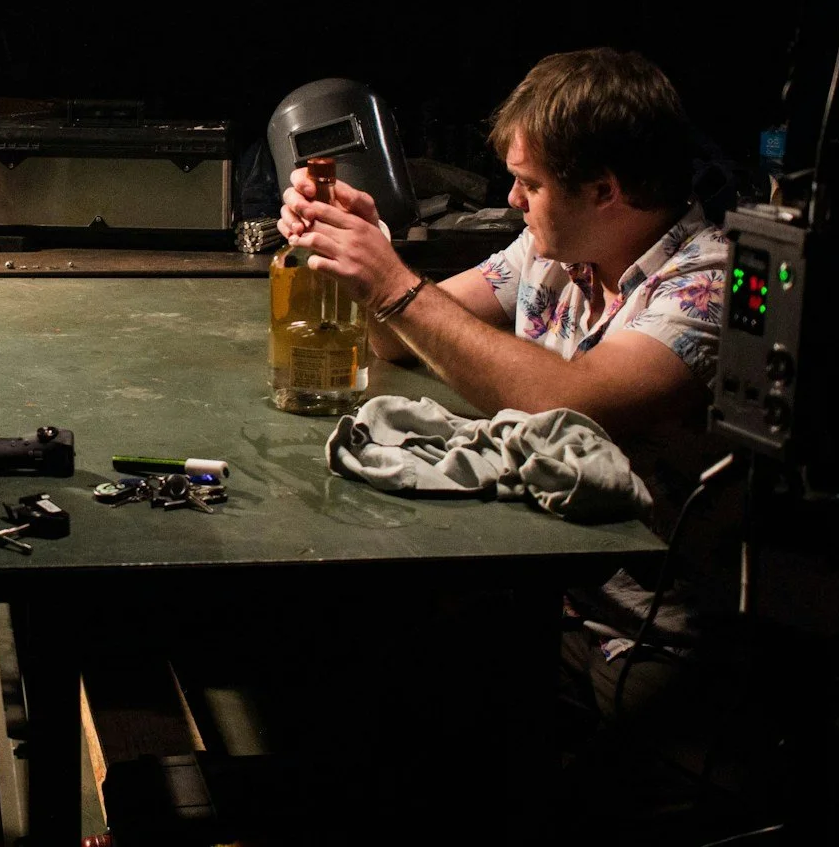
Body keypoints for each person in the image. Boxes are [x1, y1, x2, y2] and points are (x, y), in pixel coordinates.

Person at [281, 48, 734, 752]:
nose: (515, 201)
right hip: (535, 592)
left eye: (530, 184)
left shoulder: (704, 287)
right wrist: (362, 248)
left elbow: (572, 401)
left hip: (637, 638)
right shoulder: (549, 251)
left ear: (606, 191)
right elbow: (397, 340)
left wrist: (393, 282)